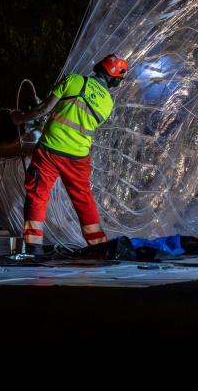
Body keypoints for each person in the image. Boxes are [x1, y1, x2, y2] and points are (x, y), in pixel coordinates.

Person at [13, 54, 127, 252]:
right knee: (83, 201)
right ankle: (98, 247)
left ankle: (33, 248)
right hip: (78, 156)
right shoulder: (108, 103)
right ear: (115, 79)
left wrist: (20, 118)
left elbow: (43, 110)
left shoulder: (73, 80)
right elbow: (82, 121)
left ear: (99, 66)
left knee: (37, 194)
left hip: (50, 149)